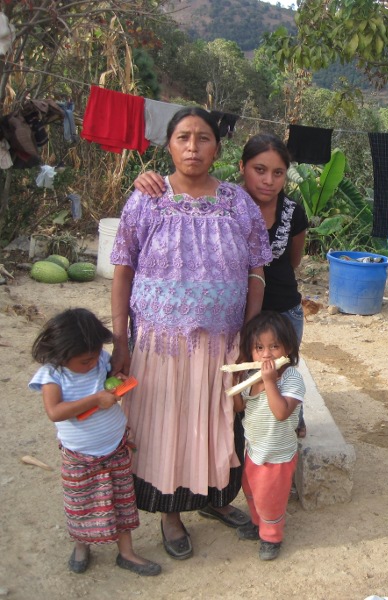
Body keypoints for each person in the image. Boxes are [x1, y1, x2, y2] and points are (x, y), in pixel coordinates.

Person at [110, 107, 272, 561]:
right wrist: (120, 338)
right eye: (183, 137)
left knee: (218, 422)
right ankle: (171, 514)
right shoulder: (147, 198)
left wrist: (249, 334)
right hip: (159, 343)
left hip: (222, 340)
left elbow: (256, 270)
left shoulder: (238, 202)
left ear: (217, 149)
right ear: (169, 146)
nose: (193, 147)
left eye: (203, 139)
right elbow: (122, 271)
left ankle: (217, 499)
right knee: (167, 425)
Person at [134, 133, 310, 436]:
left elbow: (293, 260)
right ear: (242, 166)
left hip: (282, 310)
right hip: (233, 312)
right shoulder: (225, 204)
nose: (268, 180)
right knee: (237, 381)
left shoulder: (293, 211)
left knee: (281, 371)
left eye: (278, 173)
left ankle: (288, 425)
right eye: (259, 170)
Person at [29, 308, 161, 576]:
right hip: (80, 455)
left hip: (115, 446)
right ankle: (82, 545)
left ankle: (126, 552)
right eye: (84, 361)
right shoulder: (52, 375)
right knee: (82, 503)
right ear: (62, 354)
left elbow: (106, 385)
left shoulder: (99, 357)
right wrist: (95, 400)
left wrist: (116, 385)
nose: (91, 363)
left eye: (93, 357)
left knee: (123, 500)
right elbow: (55, 412)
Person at [231, 311, 305, 561]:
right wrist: (233, 384)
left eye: (274, 346)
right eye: (259, 347)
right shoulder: (249, 378)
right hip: (254, 450)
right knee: (251, 490)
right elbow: (240, 408)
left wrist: (270, 382)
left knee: (270, 498)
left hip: (278, 455)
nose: (266, 354)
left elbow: (282, 412)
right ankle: (257, 523)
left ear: (288, 347)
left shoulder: (292, 378)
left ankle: (271, 536)